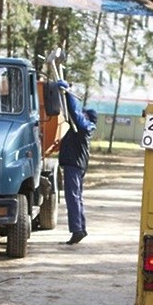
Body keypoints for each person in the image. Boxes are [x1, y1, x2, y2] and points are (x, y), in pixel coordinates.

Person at [57, 81, 97, 245]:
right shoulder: (84, 128)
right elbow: (74, 113)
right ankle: (80, 228)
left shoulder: (84, 127)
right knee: (77, 197)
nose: (82, 114)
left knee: (72, 197)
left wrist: (67, 93)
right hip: (77, 165)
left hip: (74, 165)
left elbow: (75, 113)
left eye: (84, 114)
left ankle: (77, 230)